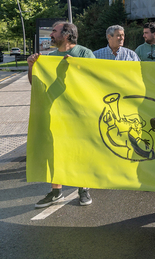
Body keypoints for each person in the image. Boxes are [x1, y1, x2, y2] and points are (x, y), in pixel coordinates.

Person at [27, 21, 95, 208]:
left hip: (79, 112)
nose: (50, 35)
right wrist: (32, 65)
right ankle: (56, 191)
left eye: (54, 31)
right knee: (55, 151)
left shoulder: (84, 53)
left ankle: (83, 188)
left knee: (80, 151)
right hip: (55, 112)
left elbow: (94, 79)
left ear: (65, 35)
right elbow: (36, 85)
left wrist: (74, 67)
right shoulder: (48, 57)